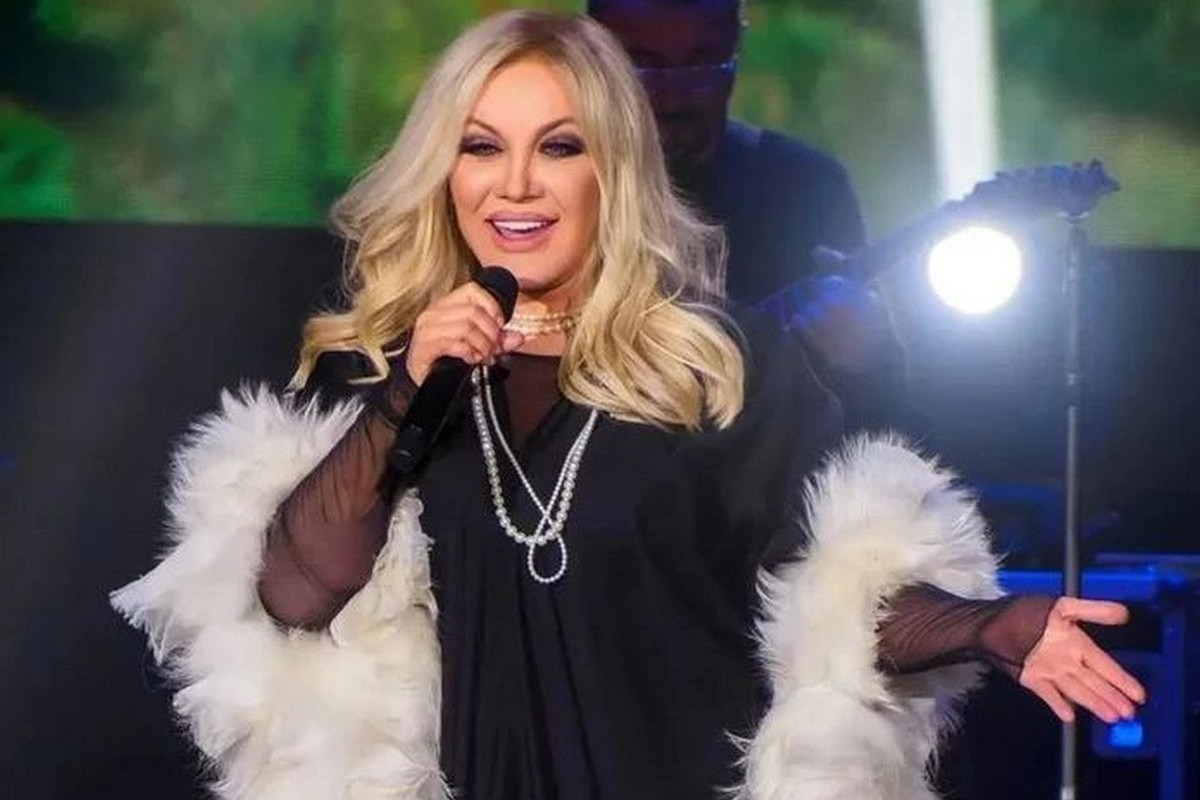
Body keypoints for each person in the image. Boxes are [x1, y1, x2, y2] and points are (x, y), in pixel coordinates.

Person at [111, 11, 1144, 800]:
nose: (517, 185)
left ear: (613, 168)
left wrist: (989, 623)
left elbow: (836, 604)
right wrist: (404, 395)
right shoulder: (387, 370)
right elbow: (295, 597)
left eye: (560, 146)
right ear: (444, 170)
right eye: (481, 146)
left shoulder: (719, 369)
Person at [588, 0, 902, 432]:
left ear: (736, 48)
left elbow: (882, 423)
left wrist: (865, 361)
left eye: (703, 64)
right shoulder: (551, 185)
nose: (674, 98)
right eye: (642, 65)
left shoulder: (805, 187)